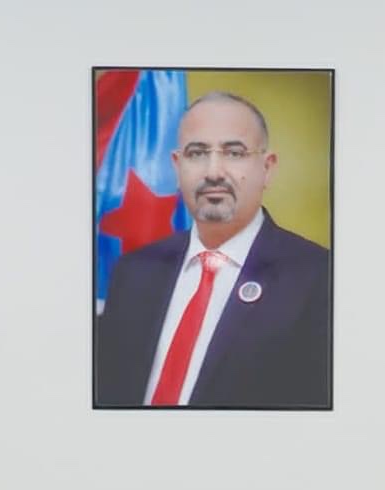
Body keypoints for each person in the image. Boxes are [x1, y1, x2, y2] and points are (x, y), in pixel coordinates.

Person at [94, 91, 331, 410]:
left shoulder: (318, 278)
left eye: (234, 153)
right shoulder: (133, 271)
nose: (214, 172)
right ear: (177, 167)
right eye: (197, 153)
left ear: (267, 168)